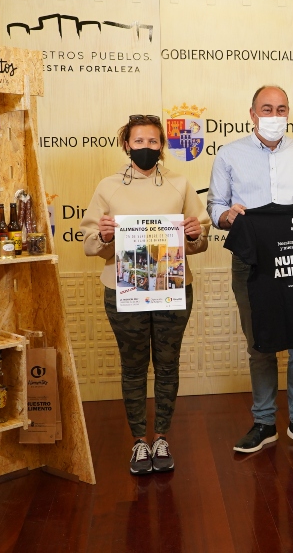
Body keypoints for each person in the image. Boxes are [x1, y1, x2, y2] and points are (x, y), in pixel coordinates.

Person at [206, 85, 293, 456]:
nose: (274, 115)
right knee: (260, 345)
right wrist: (228, 216)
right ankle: (264, 422)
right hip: (253, 262)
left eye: (281, 108)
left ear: (288, 113)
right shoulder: (229, 154)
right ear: (252, 114)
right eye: (266, 109)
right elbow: (215, 206)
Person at [81, 114, 210, 474]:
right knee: (133, 366)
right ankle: (139, 440)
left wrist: (194, 233)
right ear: (127, 144)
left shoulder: (180, 184)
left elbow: (200, 240)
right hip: (125, 290)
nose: (146, 147)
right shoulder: (108, 187)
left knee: (168, 364)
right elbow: (89, 244)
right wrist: (104, 236)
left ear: (162, 145)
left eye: (153, 141)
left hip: (173, 287)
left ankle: (162, 436)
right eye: (139, 141)